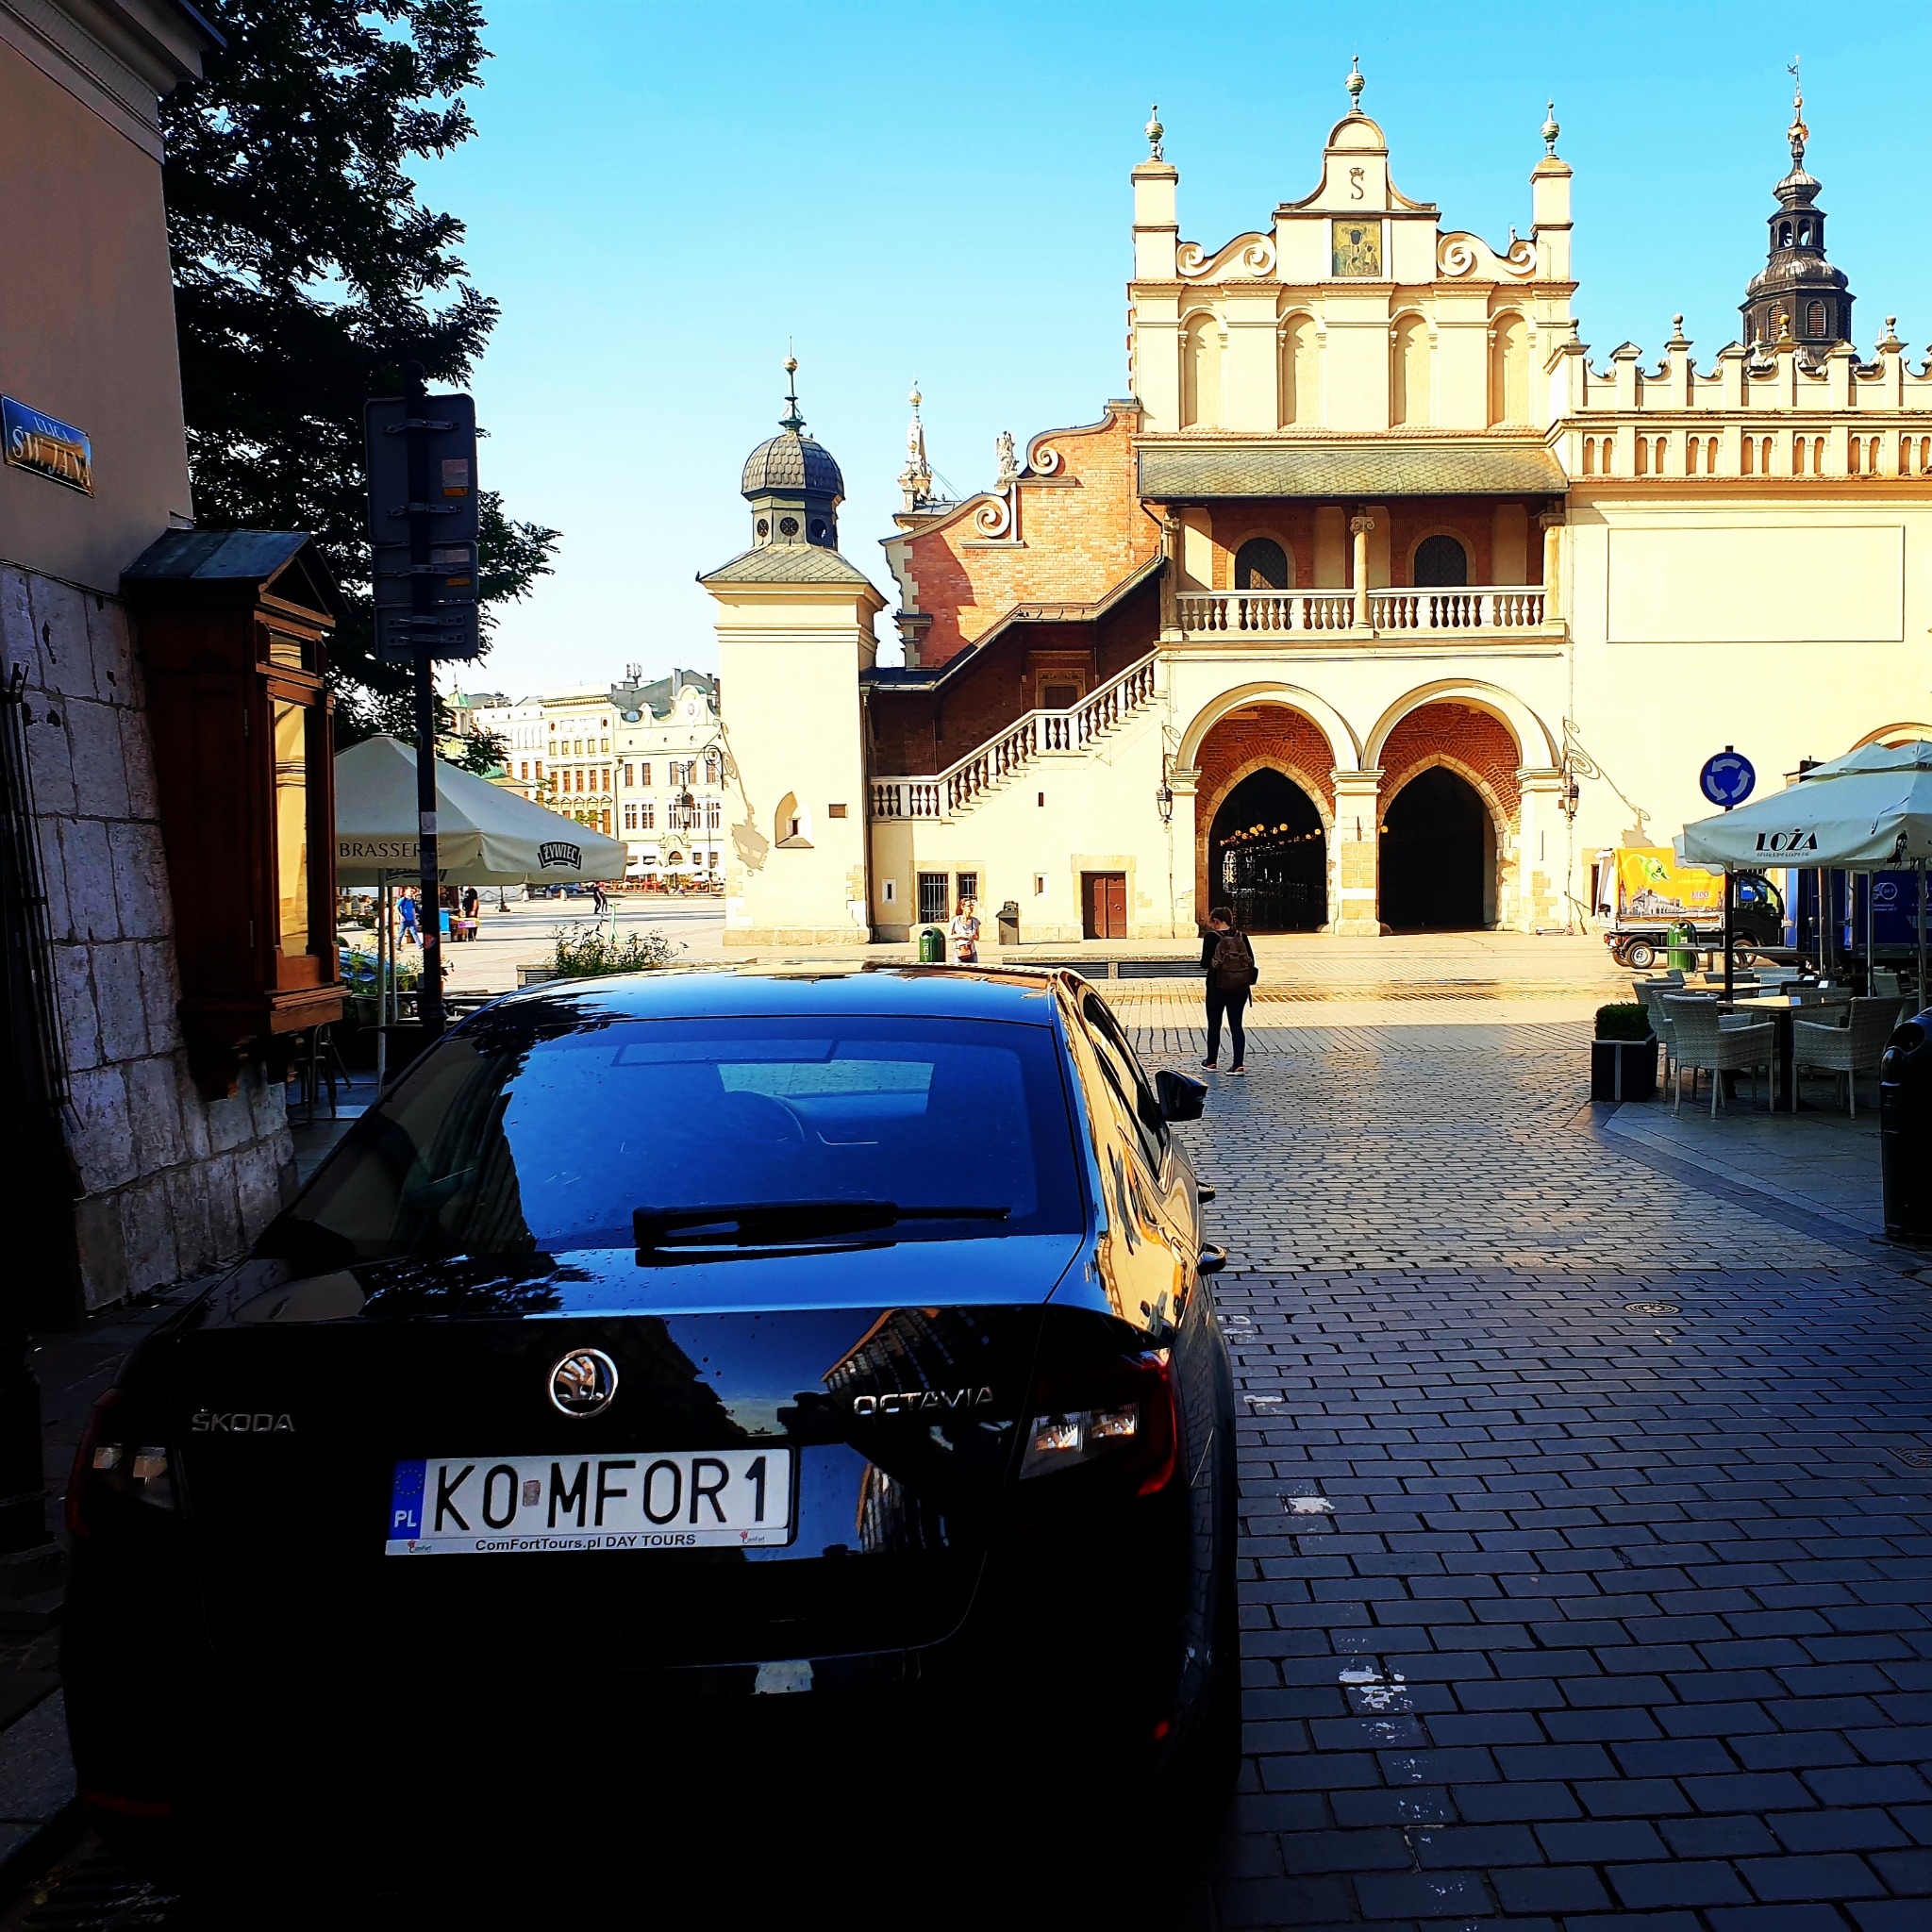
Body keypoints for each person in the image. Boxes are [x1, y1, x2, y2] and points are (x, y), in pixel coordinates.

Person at [1200, 905, 1257, 1074]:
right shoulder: (1242, 936)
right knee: (1236, 1025)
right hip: (1239, 988)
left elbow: (1204, 963)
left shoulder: (1211, 937)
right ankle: (1238, 1064)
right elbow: (1251, 961)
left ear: (1216, 921)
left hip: (1217, 987)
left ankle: (1211, 1062)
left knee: (1214, 1024)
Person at [948, 895, 981, 965]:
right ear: (963, 907)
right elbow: (949, 936)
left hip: (972, 951)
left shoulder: (975, 921)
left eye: (972, 905)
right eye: (969, 906)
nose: (971, 907)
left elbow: (978, 937)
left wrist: (973, 936)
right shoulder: (955, 920)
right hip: (960, 951)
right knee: (959, 972)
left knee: (974, 972)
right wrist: (961, 936)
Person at [396, 885, 419, 949]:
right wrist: (401, 916)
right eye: (410, 892)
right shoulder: (403, 900)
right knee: (401, 933)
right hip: (404, 919)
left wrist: (415, 918)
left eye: (413, 892)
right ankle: (397, 945)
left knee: (414, 932)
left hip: (411, 919)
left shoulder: (412, 900)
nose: (411, 893)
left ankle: (419, 945)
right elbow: (396, 908)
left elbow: (413, 909)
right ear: (406, 892)